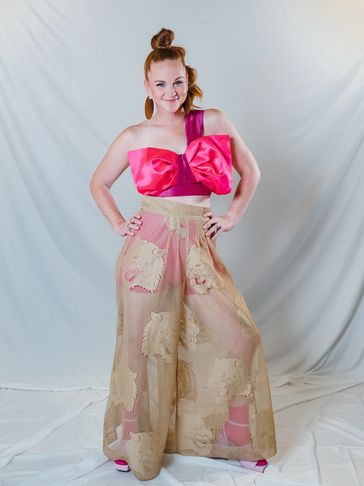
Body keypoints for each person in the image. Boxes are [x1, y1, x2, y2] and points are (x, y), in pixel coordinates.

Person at [90, 27, 277, 481]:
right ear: (147, 87)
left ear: (187, 80)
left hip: (196, 248)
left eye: (177, 82)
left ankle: (235, 433)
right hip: (148, 251)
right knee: (141, 348)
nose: (170, 92)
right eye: (160, 84)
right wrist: (118, 223)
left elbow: (250, 171)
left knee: (241, 336)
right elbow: (98, 183)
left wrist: (231, 215)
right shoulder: (134, 135)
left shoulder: (210, 121)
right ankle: (134, 440)